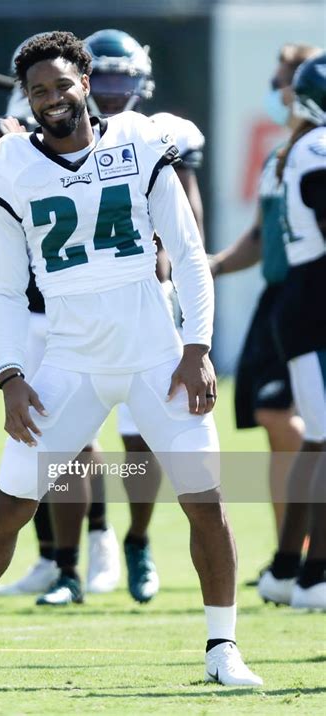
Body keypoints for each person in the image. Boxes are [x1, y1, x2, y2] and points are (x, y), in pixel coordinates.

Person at [0, 31, 262, 686]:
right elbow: (1, 287)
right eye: (38, 91)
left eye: (62, 85)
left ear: (86, 84)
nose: (52, 99)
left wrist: (197, 349)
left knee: (205, 498)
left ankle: (222, 646)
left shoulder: (141, 140)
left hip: (154, 353)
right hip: (68, 359)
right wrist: (10, 376)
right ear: (26, 100)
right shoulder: (6, 165)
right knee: (8, 505)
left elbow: (190, 254)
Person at [0, 28, 207, 605]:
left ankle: (134, 538)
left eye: (121, 79)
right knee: (70, 444)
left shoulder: (152, 136)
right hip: (60, 312)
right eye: (104, 78)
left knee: (141, 447)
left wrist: (195, 335)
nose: (111, 93)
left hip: (144, 309)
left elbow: (188, 230)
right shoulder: (32, 127)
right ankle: (72, 556)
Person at [209, 44, 320, 564]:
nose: (281, 92)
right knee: (277, 417)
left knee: (294, 423)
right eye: (278, 81)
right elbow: (257, 240)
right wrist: (206, 267)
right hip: (287, 299)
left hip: (307, 297)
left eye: (289, 81)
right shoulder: (284, 156)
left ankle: (298, 553)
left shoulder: (311, 150)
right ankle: (291, 551)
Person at [257, 51, 326, 611]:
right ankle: (314, 574)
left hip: (308, 302)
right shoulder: (316, 147)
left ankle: (288, 568)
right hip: (316, 302)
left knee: (318, 441)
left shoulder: (302, 146)